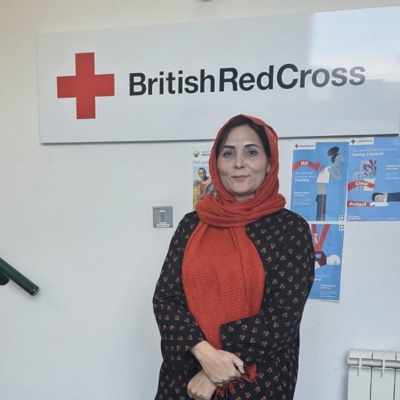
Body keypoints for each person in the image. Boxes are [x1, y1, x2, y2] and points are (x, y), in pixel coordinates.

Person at [153, 115, 315, 400]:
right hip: (184, 382)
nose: (239, 163)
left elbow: (282, 317)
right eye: (228, 153)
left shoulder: (291, 229)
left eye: (251, 152)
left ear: (269, 163)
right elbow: (166, 300)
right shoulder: (191, 225)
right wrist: (205, 355)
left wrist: (213, 373)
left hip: (257, 383)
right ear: (216, 163)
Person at [315, 147, 343, 221]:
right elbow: (338, 177)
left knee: (321, 212)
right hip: (322, 194)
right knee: (321, 214)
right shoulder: (329, 169)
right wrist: (335, 167)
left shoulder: (328, 168)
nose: (341, 160)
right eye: (339, 158)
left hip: (321, 193)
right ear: (335, 159)